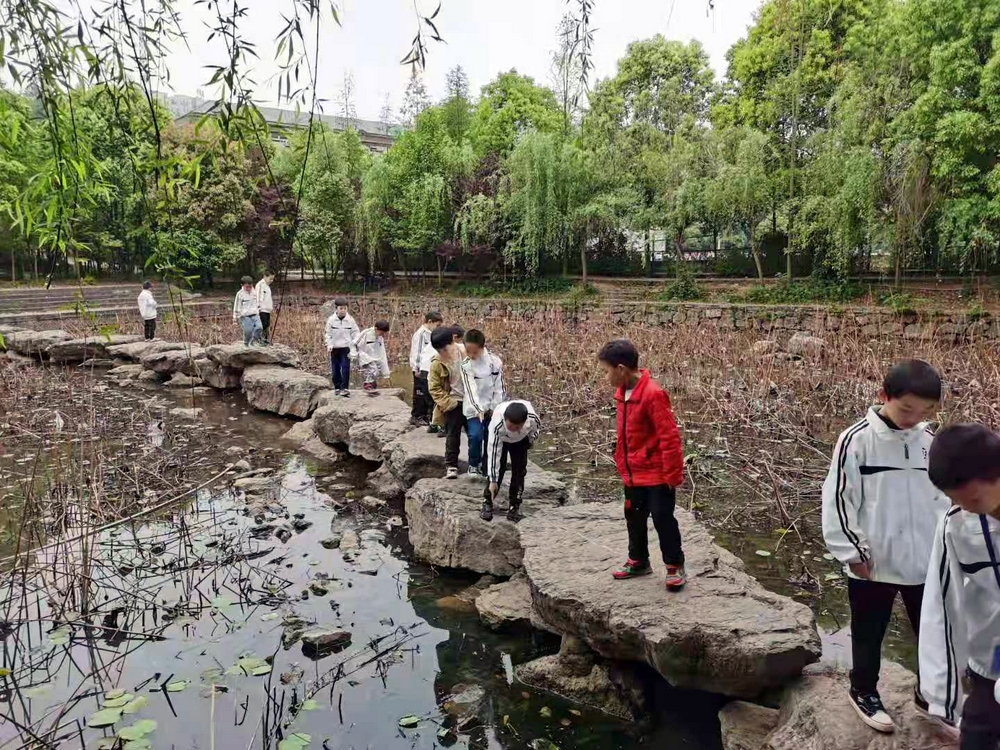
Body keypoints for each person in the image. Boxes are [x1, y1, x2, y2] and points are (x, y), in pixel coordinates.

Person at [821, 359, 948, 734]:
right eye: (906, 409)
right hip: (873, 561)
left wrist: (946, 551)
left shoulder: (929, 443)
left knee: (932, 632)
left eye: (924, 411)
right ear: (884, 396)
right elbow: (839, 500)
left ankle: (930, 693)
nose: (914, 419)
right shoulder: (856, 440)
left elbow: (943, 501)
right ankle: (863, 690)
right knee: (868, 631)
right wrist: (852, 552)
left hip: (924, 562)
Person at [921, 423, 1000, 749]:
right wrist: (942, 693)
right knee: (977, 736)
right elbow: (941, 605)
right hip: (991, 661)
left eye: (972, 498)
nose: (963, 507)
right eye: (953, 499)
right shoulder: (956, 524)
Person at [598, 339, 686, 592]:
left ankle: (674, 565)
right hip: (632, 471)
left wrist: (673, 474)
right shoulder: (622, 393)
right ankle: (638, 560)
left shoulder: (653, 394)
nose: (605, 377)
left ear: (621, 369)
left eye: (606, 371)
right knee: (633, 516)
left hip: (657, 473)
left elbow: (669, 437)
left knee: (662, 517)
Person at [482, 400, 540, 522]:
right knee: (498, 470)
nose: (513, 429)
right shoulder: (497, 424)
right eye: (510, 426)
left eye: (516, 427)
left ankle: (514, 506)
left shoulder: (532, 418)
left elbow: (535, 430)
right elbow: (493, 454)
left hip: (521, 440)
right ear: (505, 419)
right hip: (501, 439)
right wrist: (493, 480)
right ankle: (487, 501)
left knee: (519, 471)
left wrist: (530, 441)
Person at [461, 329, 506, 478]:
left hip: (491, 408)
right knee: (475, 436)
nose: (471, 355)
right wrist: (478, 409)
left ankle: (487, 466)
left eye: (474, 352)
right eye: (468, 351)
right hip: (474, 409)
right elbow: (470, 390)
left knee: (490, 437)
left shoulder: (494, 362)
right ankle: (473, 464)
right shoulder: (466, 365)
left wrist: (495, 407)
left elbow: (499, 387)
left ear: (482, 347)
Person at [429, 327, 466, 479]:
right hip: (453, 402)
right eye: (439, 351)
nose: (443, 353)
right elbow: (434, 388)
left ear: (453, 340)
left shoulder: (468, 352)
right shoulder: (437, 362)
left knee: (475, 435)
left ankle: (476, 464)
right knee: (452, 435)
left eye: (445, 349)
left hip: (472, 401)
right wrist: (449, 403)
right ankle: (451, 465)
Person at [409, 311, 443, 426]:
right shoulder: (421, 334)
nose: (438, 328)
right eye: (437, 325)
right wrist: (417, 368)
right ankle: (416, 416)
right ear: (430, 322)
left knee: (428, 393)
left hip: (428, 368)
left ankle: (427, 415)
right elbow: (418, 352)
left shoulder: (430, 334)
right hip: (420, 369)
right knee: (419, 393)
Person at [324, 298, 359, 397]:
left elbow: (356, 332)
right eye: (341, 308)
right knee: (335, 369)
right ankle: (337, 387)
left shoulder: (350, 320)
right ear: (336, 308)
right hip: (334, 348)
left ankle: (345, 388)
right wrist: (329, 344)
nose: (343, 310)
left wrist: (354, 343)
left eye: (345, 308)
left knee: (345, 367)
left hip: (346, 348)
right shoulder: (331, 320)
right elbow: (328, 334)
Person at [355, 320, 391, 393]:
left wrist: (386, 372)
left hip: (374, 357)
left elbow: (382, 352)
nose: (382, 335)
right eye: (381, 333)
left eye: (384, 333)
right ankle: (367, 384)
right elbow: (354, 343)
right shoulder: (366, 333)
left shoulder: (380, 338)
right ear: (376, 329)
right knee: (373, 368)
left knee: (376, 370)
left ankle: (372, 385)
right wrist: (354, 354)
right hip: (363, 355)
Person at [232, 276, 262, 346]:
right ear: (242, 285)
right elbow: (236, 306)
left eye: (250, 286)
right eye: (247, 287)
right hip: (245, 316)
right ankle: (246, 343)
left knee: (259, 327)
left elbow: (259, 302)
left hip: (255, 314)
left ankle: (254, 341)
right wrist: (235, 318)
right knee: (248, 330)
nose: (249, 288)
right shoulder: (240, 294)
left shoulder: (255, 292)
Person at [255, 271, 275, 344]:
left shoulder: (267, 287)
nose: (271, 280)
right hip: (261, 309)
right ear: (265, 277)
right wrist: (258, 308)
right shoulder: (260, 285)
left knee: (267, 324)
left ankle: (266, 339)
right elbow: (257, 297)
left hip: (267, 309)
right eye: (270, 279)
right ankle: (259, 339)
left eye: (273, 279)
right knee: (262, 324)